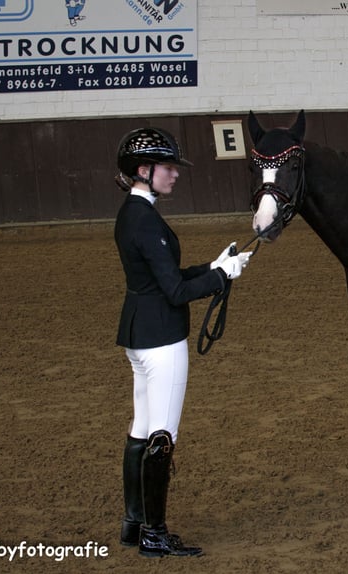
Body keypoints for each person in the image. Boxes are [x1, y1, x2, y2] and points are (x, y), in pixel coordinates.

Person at [114, 127, 249, 557]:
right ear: (143, 170)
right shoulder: (146, 220)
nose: (175, 175)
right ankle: (155, 533)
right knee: (162, 436)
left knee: (140, 429)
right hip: (162, 340)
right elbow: (174, 293)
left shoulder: (131, 214)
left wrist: (213, 265)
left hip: (139, 333)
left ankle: (134, 523)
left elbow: (164, 278)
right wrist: (222, 278)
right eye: (168, 168)